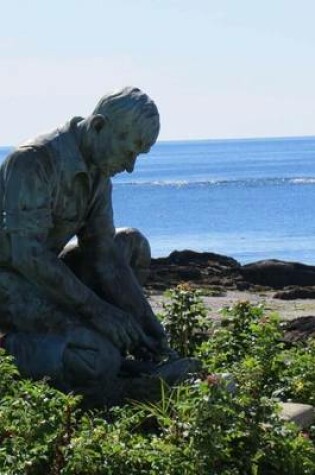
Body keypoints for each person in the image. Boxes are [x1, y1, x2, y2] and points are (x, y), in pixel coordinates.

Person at [0, 87, 197, 405]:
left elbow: (104, 253)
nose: (131, 166)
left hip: (38, 274)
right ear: (99, 126)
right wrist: (98, 311)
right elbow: (27, 254)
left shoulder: (98, 174)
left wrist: (148, 327)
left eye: (138, 155)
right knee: (99, 357)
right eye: (129, 150)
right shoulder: (34, 160)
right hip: (8, 281)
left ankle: (127, 350)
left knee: (131, 244)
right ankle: (11, 347)